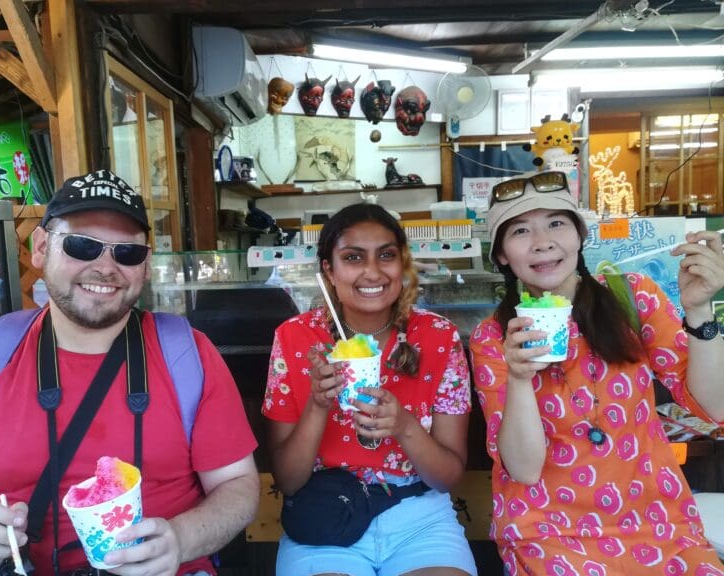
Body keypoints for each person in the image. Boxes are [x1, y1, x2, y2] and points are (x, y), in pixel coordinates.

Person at [0, 169, 260, 576]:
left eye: (127, 253)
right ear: (41, 247)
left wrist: (180, 539)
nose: (106, 267)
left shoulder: (189, 356)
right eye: (83, 246)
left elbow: (238, 486)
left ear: (146, 265)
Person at [468, 170, 724, 575]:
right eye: (520, 231)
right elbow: (525, 468)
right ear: (501, 254)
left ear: (579, 235)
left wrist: (699, 312)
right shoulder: (495, 337)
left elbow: (717, 405)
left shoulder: (632, 296)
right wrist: (519, 378)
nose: (543, 242)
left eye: (556, 223)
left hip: (655, 521)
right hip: (548, 532)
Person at [262, 203, 477, 576]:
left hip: (419, 516)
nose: (373, 272)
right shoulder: (295, 337)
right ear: (329, 270)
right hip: (326, 513)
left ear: (402, 264)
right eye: (353, 258)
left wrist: (405, 426)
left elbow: (447, 477)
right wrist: (318, 405)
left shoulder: (438, 337)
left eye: (387, 256)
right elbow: (288, 480)